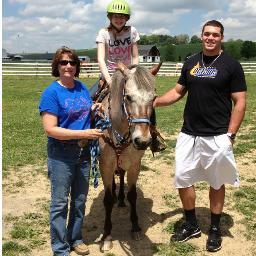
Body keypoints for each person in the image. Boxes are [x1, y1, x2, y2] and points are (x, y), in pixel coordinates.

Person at [154, 20, 246, 252]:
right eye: (207, 34)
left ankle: (214, 229)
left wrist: (231, 135)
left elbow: (240, 102)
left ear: (221, 37)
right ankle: (192, 224)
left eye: (215, 35)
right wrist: (152, 102)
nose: (211, 38)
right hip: (189, 134)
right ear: (201, 36)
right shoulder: (191, 62)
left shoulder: (231, 65)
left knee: (216, 182)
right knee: (183, 179)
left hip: (217, 136)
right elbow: (177, 92)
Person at [39, 46, 103, 256]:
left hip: (83, 154)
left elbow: (83, 111)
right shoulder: (51, 93)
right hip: (61, 154)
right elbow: (51, 129)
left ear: (77, 66)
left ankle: (75, 238)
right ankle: (60, 248)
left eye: (72, 62)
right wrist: (84, 135)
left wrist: (93, 109)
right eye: (63, 62)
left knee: (79, 201)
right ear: (56, 66)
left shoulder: (82, 88)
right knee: (59, 204)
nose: (68, 66)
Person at [92, 0, 166, 152]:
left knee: (145, 101)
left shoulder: (132, 31)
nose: (119, 19)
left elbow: (135, 56)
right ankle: (86, 138)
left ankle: (153, 134)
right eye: (115, 16)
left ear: (127, 19)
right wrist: (109, 80)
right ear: (110, 17)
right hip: (110, 74)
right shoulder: (103, 33)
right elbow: (100, 58)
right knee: (90, 99)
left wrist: (134, 73)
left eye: (122, 17)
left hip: (129, 74)